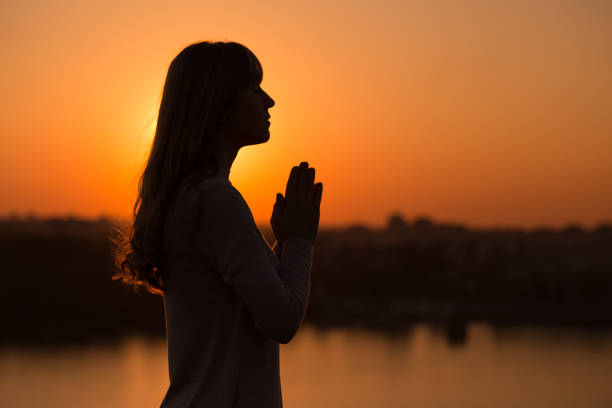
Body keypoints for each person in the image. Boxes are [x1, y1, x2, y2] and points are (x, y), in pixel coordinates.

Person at [112, 41, 323, 407]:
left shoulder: (189, 197)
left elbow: (238, 302)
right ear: (219, 104)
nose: (268, 100)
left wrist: (284, 245)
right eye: (254, 88)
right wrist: (302, 242)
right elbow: (281, 319)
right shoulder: (214, 200)